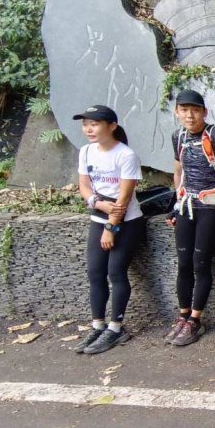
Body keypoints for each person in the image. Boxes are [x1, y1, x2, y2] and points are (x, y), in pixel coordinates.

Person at [163, 89, 215, 347]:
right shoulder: (179, 137)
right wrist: (176, 204)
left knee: (200, 262)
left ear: (204, 112)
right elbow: (178, 171)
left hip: (212, 205)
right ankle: (183, 315)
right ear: (177, 112)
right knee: (183, 262)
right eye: (184, 110)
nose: (189, 114)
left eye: (194, 110)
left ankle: (196, 320)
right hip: (187, 204)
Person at [72, 104, 146, 355]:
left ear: (111, 126)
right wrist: (96, 203)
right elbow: (84, 186)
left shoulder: (125, 155)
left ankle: (116, 328)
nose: (89, 129)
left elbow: (124, 199)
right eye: (85, 124)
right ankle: (97, 325)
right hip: (99, 217)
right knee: (95, 273)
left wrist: (110, 228)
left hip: (126, 222)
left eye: (94, 124)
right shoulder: (86, 152)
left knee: (116, 273)